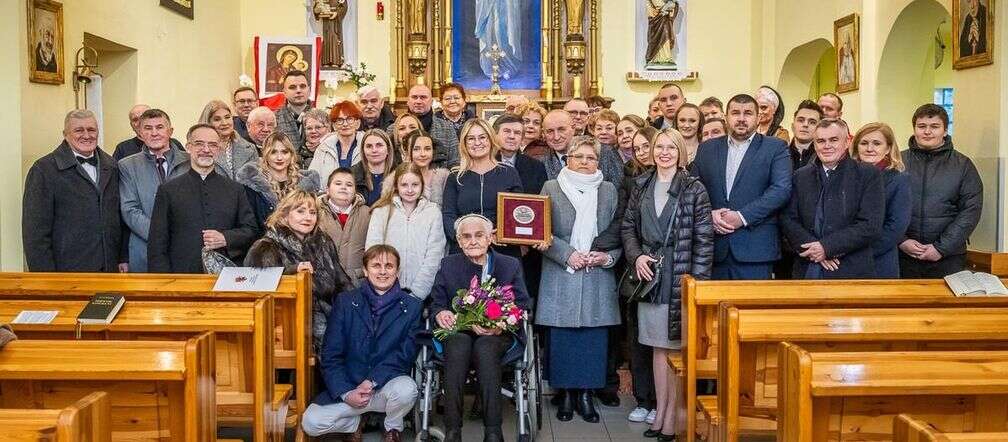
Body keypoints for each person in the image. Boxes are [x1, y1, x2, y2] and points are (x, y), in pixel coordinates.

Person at [622, 128, 713, 441]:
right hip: (649, 277)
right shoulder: (641, 184)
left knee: (675, 349)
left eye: (670, 148)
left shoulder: (693, 188)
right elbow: (628, 228)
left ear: (680, 152)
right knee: (658, 350)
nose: (663, 153)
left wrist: (695, 285)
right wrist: (636, 258)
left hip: (679, 275)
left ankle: (674, 416)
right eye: (658, 147)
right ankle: (661, 411)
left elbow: (704, 240)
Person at [533, 136, 621, 423]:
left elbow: (620, 230)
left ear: (598, 161)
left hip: (597, 272)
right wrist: (567, 254)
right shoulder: (551, 187)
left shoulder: (608, 190)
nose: (584, 162)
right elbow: (541, 231)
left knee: (593, 339)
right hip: (562, 272)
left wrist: (606, 257)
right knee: (564, 339)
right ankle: (566, 396)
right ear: (567, 159)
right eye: (578, 156)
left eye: (590, 157)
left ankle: (586, 396)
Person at [301, 245, 422, 442]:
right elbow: (331, 354)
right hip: (350, 386)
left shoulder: (412, 306)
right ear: (365, 270)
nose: (383, 271)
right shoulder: (345, 302)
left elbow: (404, 355)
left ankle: (391, 428)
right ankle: (354, 423)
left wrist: (372, 380)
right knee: (311, 423)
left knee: (407, 389)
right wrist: (346, 392)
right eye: (376, 265)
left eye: (389, 266)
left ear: (397, 271)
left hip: (385, 388)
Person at [430, 214, 532, 442]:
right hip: (459, 330)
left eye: (479, 235)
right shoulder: (449, 264)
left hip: (498, 334)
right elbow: (437, 302)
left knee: (485, 347)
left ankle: (493, 431)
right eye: (466, 237)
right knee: (458, 345)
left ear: (490, 239)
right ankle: (453, 431)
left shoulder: (509, 264)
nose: (473, 241)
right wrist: (441, 312)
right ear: (458, 240)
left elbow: (523, 303)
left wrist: (499, 324)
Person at [691, 94, 792, 280]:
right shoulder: (707, 149)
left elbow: (781, 189)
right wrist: (709, 214)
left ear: (758, 118)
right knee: (713, 308)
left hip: (755, 250)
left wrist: (742, 217)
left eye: (748, 113)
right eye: (735, 113)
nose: (741, 118)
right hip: (713, 249)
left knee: (752, 308)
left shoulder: (775, 147)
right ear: (726, 117)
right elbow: (694, 190)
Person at [245, 190, 354, 349]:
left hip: (327, 317)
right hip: (285, 326)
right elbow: (257, 289)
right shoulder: (265, 247)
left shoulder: (323, 242)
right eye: (300, 211)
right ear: (284, 215)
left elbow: (341, 283)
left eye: (312, 212)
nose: (308, 217)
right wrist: (292, 271)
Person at [23, 109, 126, 272]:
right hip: (66, 272)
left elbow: (120, 218)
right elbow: (35, 234)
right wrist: (44, 279)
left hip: (109, 271)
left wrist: (122, 258)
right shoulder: (44, 170)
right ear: (65, 134)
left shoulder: (112, 166)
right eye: (79, 130)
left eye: (91, 130)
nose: (86, 135)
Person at [780, 119, 884, 279]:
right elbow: (788, 219)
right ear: (814, 144)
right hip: (807, 267)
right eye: (821, 141)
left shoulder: (868, 175)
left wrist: (827, 247)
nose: (827, 146)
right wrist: (815, 250)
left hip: (851, 269)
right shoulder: (801, 176)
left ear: (847, 142)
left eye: (834, 140)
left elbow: (870, 225)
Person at [148, 124, 259, 273]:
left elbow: (251, 230)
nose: (206, 150)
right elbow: (157, 243)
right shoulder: (168, 190)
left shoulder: (235, 189)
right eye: (199, 144)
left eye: (212, 145)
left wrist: (226, 238)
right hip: (182, 276)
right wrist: (163, 283)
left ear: (218, 150)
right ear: (188, 147)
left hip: (226, 276)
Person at [900, 104, 983, 278]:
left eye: (934, 127)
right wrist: (901, 241)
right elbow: (882, 207)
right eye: (921, 126)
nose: (927, 132)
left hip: (948, 258)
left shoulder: (963, 165)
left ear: (945, 130)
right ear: (914, 129)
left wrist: (941, 248)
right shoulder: (897, 162)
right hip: (902, 256)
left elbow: (970, 211)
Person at [119, 109, 194, 272]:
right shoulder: (127, 166)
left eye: (159, 127)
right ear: (140, 133)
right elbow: (130, 210)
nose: (154, 133)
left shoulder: (191, 162)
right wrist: (161, 236)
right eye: (147, 128)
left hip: (186, 248)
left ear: (170, 131)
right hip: (145, 250)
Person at [618, 124, 659, 424]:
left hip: (669, 267)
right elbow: (626, 224)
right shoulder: (632, 180)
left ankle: (664, 401)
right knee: (638, 336)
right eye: (638, 148)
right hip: (638, 266)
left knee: (664, 339)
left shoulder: (687, 182)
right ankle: (644, 398)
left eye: (649, 146)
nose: (644, 153)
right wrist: (636, 256)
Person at [441, 119, 524, 254]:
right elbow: (448, 215)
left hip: (502, 250)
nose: (477, 143)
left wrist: (501, 234)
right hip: (465, 250)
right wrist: (465, 237)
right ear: (464, 143)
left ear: (491, 140)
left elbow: (518, 212)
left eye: (482, 137)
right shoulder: (455, 176)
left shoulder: (509, 172)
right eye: (471, 138)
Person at [366, 164, 446, 300]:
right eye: (404, 185)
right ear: (397, 186)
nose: (409, 190)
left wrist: (418, 292)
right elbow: (372, 251)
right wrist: (383, 286)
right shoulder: (381, 211)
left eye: (415, 185)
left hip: (421, 293)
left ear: (422, 185)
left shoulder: (433, 212)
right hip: (386, 291)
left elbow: (435, 254)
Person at [851, 122, 911, 278]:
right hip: (843, 261)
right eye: (864, 143)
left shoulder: (898, 179)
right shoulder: (846, 176)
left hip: (879, 261)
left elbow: (896, 226)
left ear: (888, 148)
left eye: (877, 143)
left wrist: (860, 254)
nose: (869, 148)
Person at [237, 132, 322, 230]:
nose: (279, 158)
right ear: (265, 155)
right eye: (273, 152)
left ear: (291, 154)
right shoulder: (253, 184)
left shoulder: (306, 183)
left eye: (284, 152)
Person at [317, 167, 372, 286]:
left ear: (355, 191)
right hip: (323, 282)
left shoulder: (368, 214)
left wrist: (360, 273)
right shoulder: (315, 212)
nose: (343, 187)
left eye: (349, 184)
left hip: (357, 282)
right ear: (327, 189)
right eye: (338, 183)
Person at [542, 110, 623, 188]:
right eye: (550, 131)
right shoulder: (541, 163)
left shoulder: (605, 152)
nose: (556, 137)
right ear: (544, 134)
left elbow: (618, 190)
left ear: (573, 128)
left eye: (561, 129)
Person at [389, 84, 460, 167]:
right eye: (414, 97)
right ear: (408, 101)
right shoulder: (393, 129)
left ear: (431, 101)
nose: (418, 101)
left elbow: (455, 162)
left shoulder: (447, 129)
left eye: (423, 97)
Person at [199, 100, 257, 180]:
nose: (224, 123)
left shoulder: (250, 148)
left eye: (227, 117)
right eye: (217, 119)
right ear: (208, 123)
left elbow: (256, 183)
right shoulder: (199, 151)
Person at [310, 101, 364, 182]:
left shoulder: (367, 146)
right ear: (334, 125)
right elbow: (312, 178)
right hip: (327, 194)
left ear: (358, 123)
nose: (345, 124)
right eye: (339, 120)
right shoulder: (323, 148)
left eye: (350, 119)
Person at [495, 114, 547, 195]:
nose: (512, 136)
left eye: (517, 133)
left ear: (522, 138)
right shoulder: (485, 164)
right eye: (507, 131)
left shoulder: (537, 167)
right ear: (495, 135)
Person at [112, 104, 184, 162]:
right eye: (135, 119)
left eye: (144, 117)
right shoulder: (123, 148)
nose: (140, 122)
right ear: (131, 125)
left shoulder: (174, 144)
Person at [397, 130, 451, 206]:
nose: (423, 154)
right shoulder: (398, 178)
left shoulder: (444, 177)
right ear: (407, 152)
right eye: (416, 149)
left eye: (427, 149)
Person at [275, 70, 315, 155]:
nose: (298, 90)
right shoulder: (275, 118)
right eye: (292, 87)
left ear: (309, 90)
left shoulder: (323, 118)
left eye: (302, 86)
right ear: (284, 92)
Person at [352, 129, 396, 206]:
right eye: (369, 146)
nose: (374, 150)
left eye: (379, 145)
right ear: (363, 151)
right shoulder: (351, 174)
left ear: (388, 149)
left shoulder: (400, 175)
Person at [787, 100, 823, 170]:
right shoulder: (780, 154)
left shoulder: (825, 158)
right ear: (792, 126)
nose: (805, 125)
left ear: (819, 128)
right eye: (800, 120)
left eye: (812, 122)